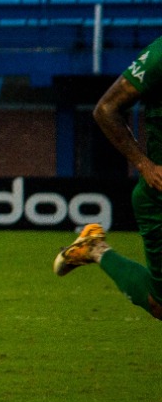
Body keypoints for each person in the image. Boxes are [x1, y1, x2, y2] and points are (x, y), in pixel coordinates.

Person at [54, 34, 162, 319]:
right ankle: (96, 249)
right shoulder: (159, 55)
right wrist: (145, 164)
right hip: (159, 197)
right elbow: (106, 109)